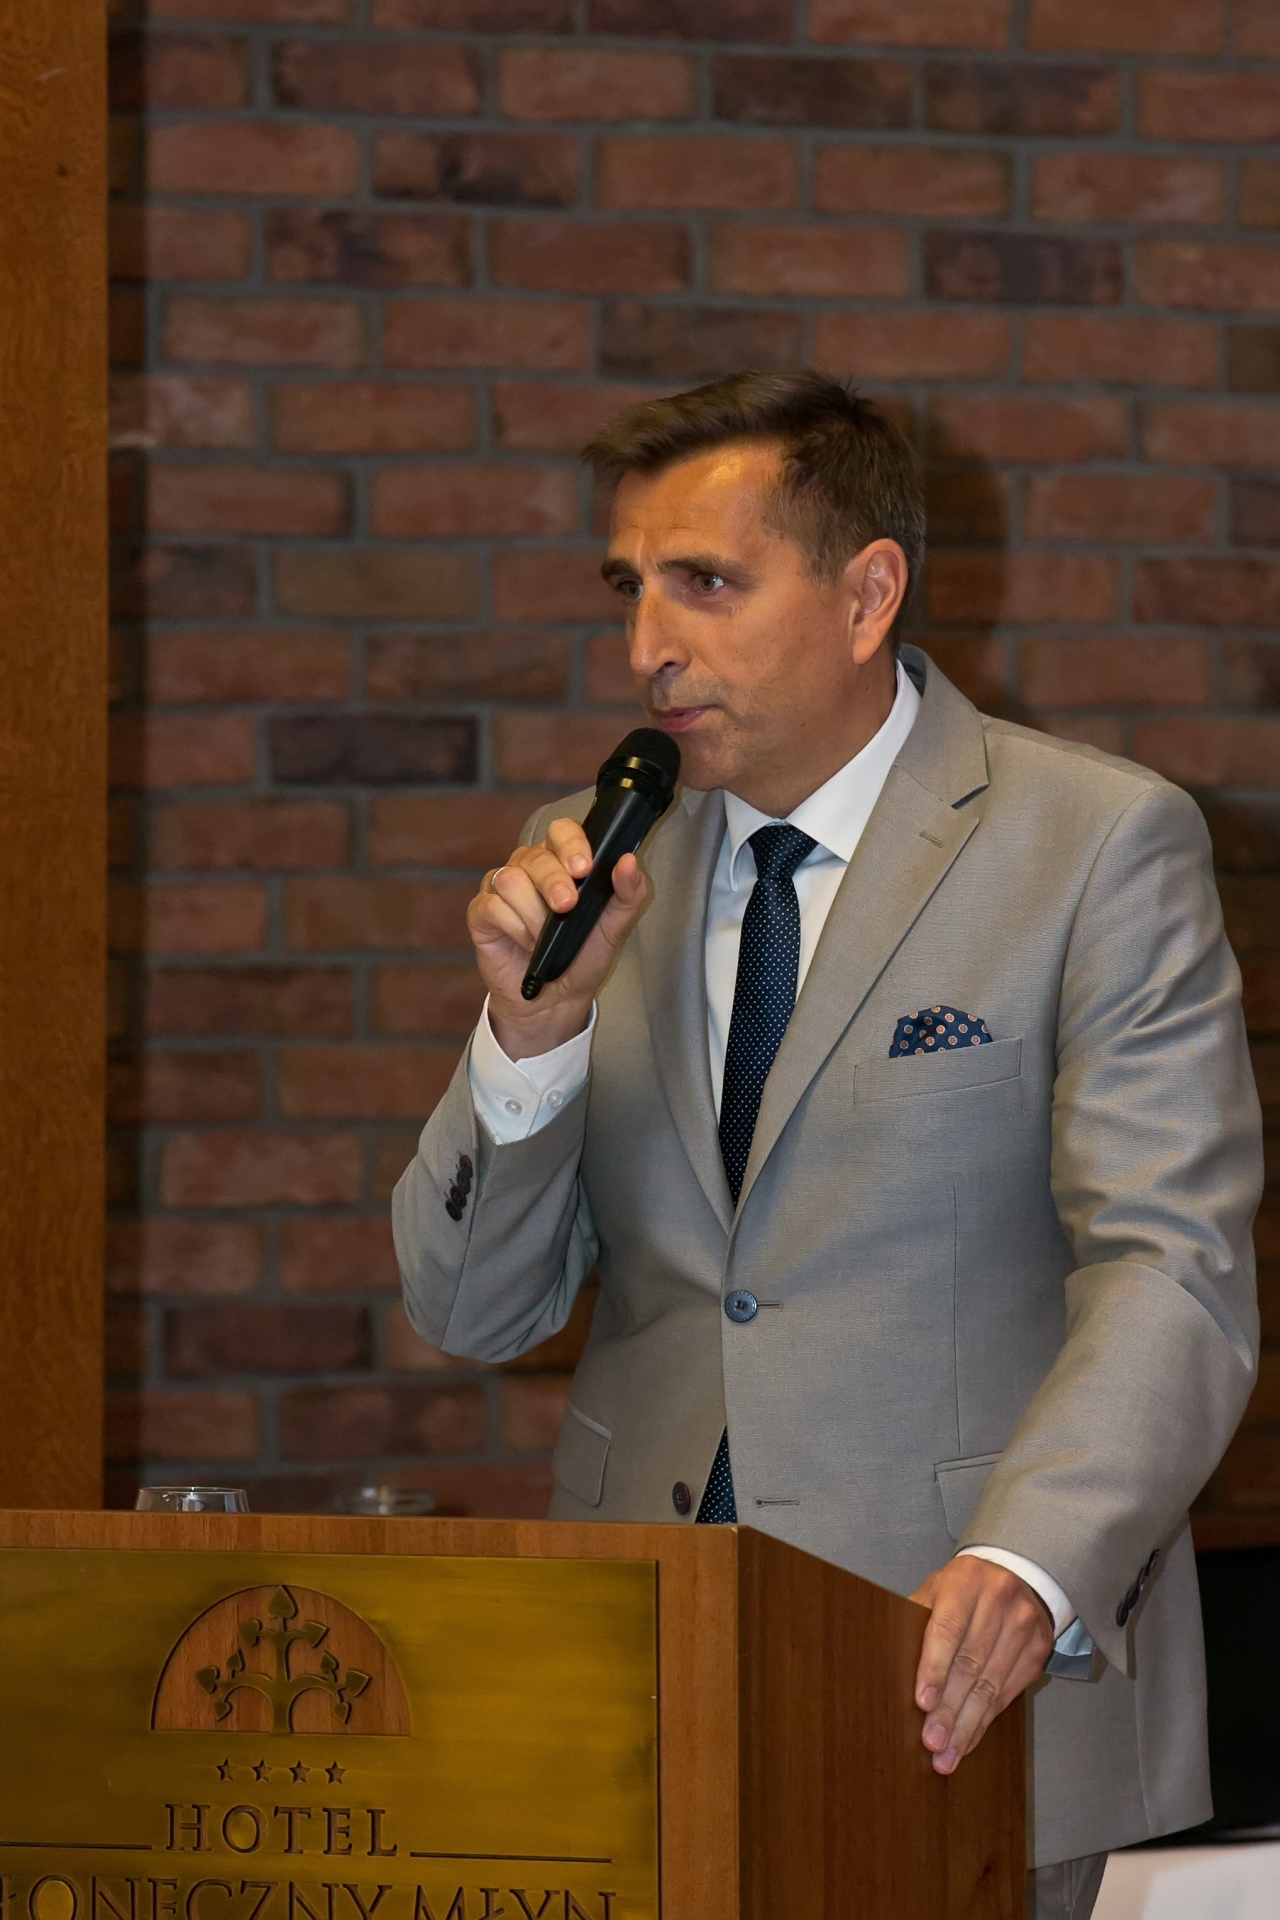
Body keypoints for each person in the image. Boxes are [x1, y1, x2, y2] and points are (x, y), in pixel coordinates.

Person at [393, 370, 1262, 1920]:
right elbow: (473, 1311)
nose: (649, 646)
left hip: (958, 1680)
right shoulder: (594, 859)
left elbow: (1170, 1271)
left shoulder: (1095, 845)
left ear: (868, 595)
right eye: (630, 588)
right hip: (640, 1685)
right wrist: (530, 1039)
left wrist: (1034, 1565)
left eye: (706, 583)